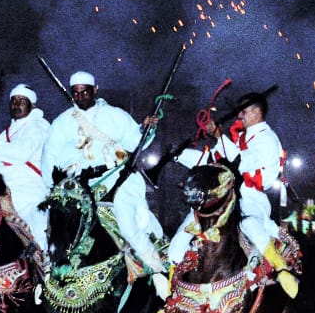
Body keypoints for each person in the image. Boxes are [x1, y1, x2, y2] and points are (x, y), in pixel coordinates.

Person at [41, 71, 169, 299]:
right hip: (79, 186)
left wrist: (145, 128)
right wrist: (53, 189)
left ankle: (157, 269)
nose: (80, 96)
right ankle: (46, 276)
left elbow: (135, 142)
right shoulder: (61, 122)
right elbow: (49, 156)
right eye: (76, 92)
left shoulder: (115, 115)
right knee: (54, 226)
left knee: (127, 224)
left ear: (95, 90)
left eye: (85, 91)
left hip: (117, 178)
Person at [165, 89, 298, 298]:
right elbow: (210, 162)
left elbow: (240, 163)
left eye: (243, 112)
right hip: (222, 196)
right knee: (183, 232)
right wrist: (177, 154)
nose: (239, 116)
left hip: (251, 198)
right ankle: (170, 296)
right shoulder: (238, 138)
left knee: (249, 224)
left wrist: (220, 136)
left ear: (256, 112)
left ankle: (280, 269)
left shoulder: (267, 140)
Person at [0, 84, 52, 253]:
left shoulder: (39, 126)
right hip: (3, 188)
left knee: (37, 224)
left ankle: (45, 260)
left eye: (22, 101)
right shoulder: (6, 133)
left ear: (32, 105)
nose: (16, 105)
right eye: (13, 101)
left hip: (29, 188)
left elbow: (22, 153)